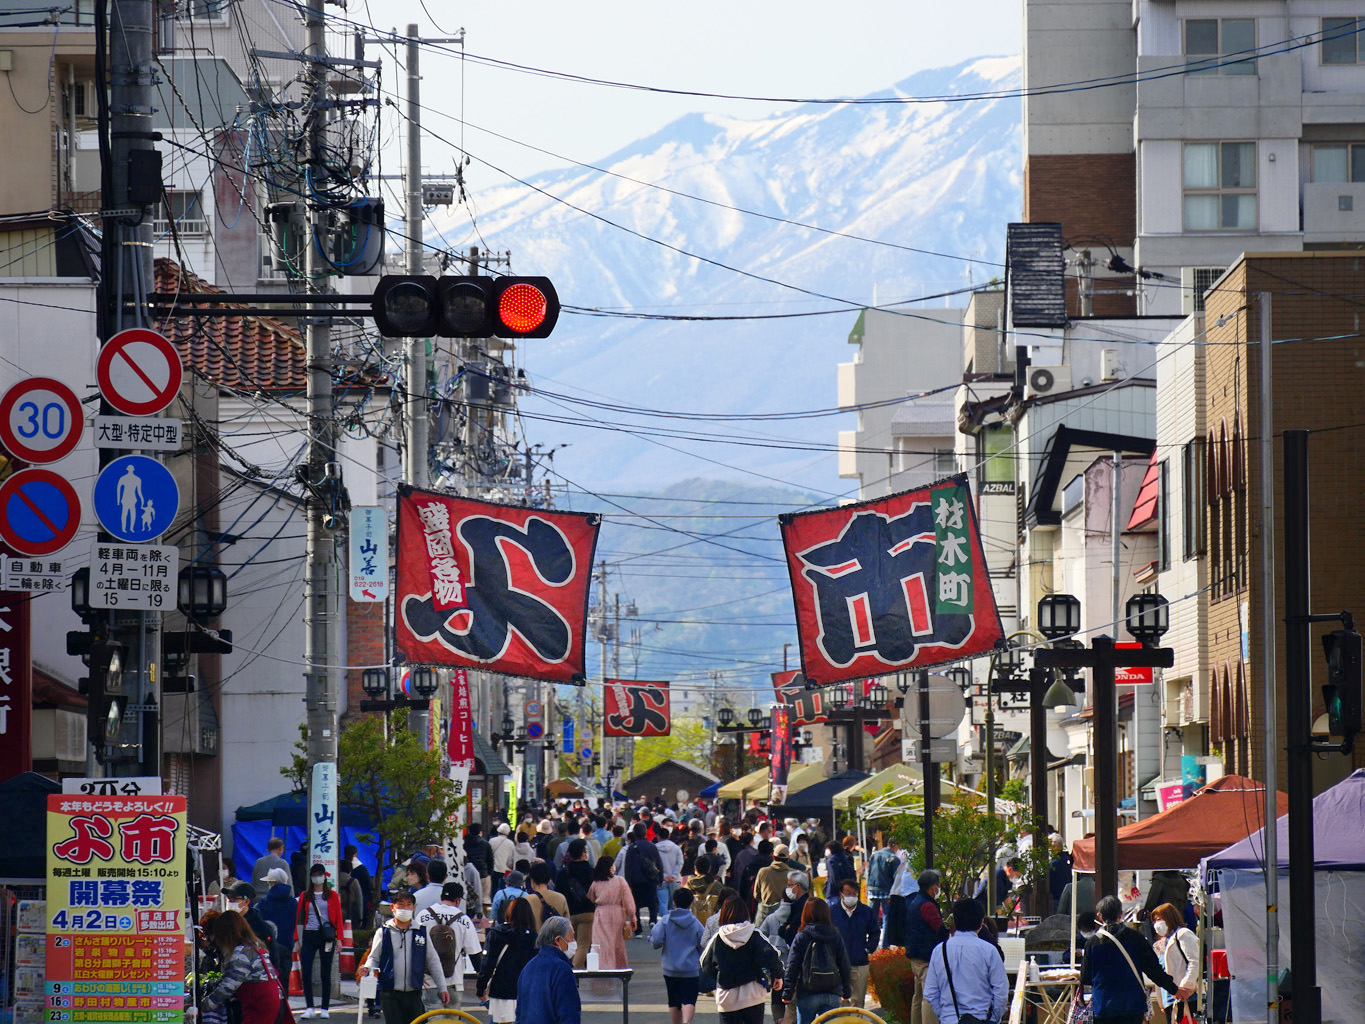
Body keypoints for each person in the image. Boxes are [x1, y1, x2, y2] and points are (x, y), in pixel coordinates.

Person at [1081, 896, 1187, 1024]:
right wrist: (1175, 990)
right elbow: (1154, 971)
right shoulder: (1135, 938)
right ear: (1121, 914)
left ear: (1099, 916)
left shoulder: (1091, 943)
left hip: (1104, 1006)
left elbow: (1086, 977)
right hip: (1132, 1006)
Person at [359, 889, 450, 1024]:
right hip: (390, 992)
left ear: (413, 907)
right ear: (392, 907)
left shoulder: (421, 931)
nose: (405, 908)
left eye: (408, 905)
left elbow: (433, 961)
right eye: (401, 904)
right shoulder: (383, 932)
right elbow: (374, 957)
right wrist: (367, 968)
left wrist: (442, 987)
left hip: (414, 992)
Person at [922, 899, 1010, 1024]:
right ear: (981, 923)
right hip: (981, 1018)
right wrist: (994, 1018)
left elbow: (930, 992)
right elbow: (1001, 991)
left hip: (949, 1019)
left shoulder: (939, 950)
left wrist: (944, 1016)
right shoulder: (989, 950)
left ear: (955, 922)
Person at [700, 896, 784, 1024]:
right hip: (753, 995)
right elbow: (772, 956)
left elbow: (705, 964)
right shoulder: (754, 934)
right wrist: (777, 976)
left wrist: (718, 976)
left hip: (727, 997)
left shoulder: (718, 938)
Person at [202, 911, 288, 1024]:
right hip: (274, 1002)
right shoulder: (252, 945)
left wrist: (203, 1005)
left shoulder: (241, 953)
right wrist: (210, 984)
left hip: (263, 1006)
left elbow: (228, 986)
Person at [783, 897, 852, 1024]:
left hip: (807, 991)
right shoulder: (835, 935)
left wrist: (787, 992)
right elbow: (844, 964)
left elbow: (792, 965)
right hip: (832, 991)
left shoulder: (802, 936)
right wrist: (846, 991)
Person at [417, 882, 483, 1010]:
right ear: (458, 900)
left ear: (441, 896)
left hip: (428, 980)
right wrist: (482, 982)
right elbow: (474, 953)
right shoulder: (464, 920)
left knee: (432, 1019)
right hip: (454, 980)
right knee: (452, 1019)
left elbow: (415, 948)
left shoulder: (423, 916)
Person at [476, 896, 537, 1024]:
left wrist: (481, 988)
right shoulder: (533, 937)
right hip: (526, 991)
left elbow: (487, 964)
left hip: (501, 990)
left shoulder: (496, 934)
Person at [294, 864, 342, 1019]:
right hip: (309, 935)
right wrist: (297, 939)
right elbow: (299, 919)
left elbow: (339, 919)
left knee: (325, 972)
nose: (317, 877)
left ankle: (325, 1007)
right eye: (314, 874)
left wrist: (339, 939)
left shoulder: (333, 895)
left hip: (327, 936)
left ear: (325, 876)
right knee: (306, 971)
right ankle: (309, 1007)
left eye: (320, 874)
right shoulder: (305, 895)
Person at [653, 887, 706, 1024]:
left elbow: (657, 940)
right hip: (690, 969)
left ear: (674, 902)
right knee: (689, 999)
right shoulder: (695, 923)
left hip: (670, 968)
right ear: (691, 904)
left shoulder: (665, 921)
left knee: (673, 1000)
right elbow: (703, 944)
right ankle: (687, 1021)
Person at [516, 917, 582, 1024]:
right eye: (572, 937)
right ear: (558, 940)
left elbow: (520, 1012)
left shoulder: (528, 968)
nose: (574, 942)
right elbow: (569, 1013)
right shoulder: (562, 969)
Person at [905, 870, 950, 1024]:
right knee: (929, 998)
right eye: (938, 886)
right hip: (926, 957)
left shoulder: (915, 901)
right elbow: (939, 929)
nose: (939, 890)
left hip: (915, 956)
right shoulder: (927, 906)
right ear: (932, 887)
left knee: (917, 998)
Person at [829, 878, 879, 1008]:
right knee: (840, 1002)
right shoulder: (832, 912)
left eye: (854, 893)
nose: (851, 896)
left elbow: (875, 932)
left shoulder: (866, 912)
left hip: (859, 962)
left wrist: (868, 949)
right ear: (841, 894)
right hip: (837, 963)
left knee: (858, 1001)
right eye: (847, 892)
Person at [1151, 903, 1200, 1023]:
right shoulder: (1160, 944)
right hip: (1170, 1000)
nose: (1157, 923)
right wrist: (1162, 1002)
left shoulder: (1183, 934)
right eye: (1155, 920)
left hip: (1186, 996)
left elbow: (1194, 961)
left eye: (1160, 919)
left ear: (1169, 917)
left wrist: (1186, 986)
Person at [588, 854, 636, 969]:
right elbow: (629, 901)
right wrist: (633, 916)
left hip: (601, 913)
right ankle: (618, 968)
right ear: (610, 867)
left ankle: (603, 967)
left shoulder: (596, 883)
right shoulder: (620, 881)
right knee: (617, 943)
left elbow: (591, 897)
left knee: (601, 943)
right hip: (617, 914)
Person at [557, 838, 597, 968]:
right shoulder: (591, 872)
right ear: (583, 853)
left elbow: (559, 892)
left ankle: (575, 967)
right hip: (587, 912)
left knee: (570, 944)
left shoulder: (563, 872)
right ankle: (575, 969)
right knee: (583, 944)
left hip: (569, 912)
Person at [225, 883, 279, 976]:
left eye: (234, 899)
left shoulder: (260, 928)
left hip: (254, 978)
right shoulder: (224, 924)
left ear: (246, 901)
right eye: (228, 899)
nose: (230, 902)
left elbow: (273, 958)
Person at [622, 824, 665, 932]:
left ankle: (638, 929)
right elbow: (659, 863)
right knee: (652, 902)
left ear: (635, 833)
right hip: (650, 879)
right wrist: (660, 878)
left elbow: (627, 866)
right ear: (645, 832)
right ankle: (653, 920)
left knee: (636, 904)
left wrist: (628, 882)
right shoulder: (652, 846)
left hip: (636, 880)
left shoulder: (632, 848)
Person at [257, 868, 297, 983]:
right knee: (284, 984)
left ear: (273, 883)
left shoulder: (264, 902)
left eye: (270, 882)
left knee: (271, 982)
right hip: (287, 946)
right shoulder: (293, 902)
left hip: (268, 947)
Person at [865, 837, 900, 928]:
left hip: (872, 888)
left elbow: (869, 871)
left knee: (872, 917)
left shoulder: (874, 855)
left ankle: (871, 939)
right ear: (895, 846)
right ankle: (885, 942)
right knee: (887, 919)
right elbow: (896, 878)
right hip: (887, 890)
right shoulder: (894, 858)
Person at [526, 860, 569, 931]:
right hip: (556, 939)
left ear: (532, 880)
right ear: (549, 879)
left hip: (535, 940)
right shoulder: (561, 898)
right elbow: (567, 923)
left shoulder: (527, 899)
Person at [657, 826, 686, 920]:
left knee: (662, 903)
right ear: (669, 836)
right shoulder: (676, 848)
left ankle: (664, 922)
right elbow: (680, 862)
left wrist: (664, 876)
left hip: (661, 880)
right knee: (675, 903)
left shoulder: (655, 848)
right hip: (675, 880)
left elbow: (654, 865)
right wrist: (674, 875)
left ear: (658, 836)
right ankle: (674, 922)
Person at [465, 824, 494, 910]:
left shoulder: (465, 843)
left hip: (469, 875)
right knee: (485, 898)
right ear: (479, 832)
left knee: (470, 897)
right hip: (483, 874)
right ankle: (483, 918)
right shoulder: (485, 844)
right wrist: (489, 873)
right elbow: (490, 860)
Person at [490, 823, 517, 891]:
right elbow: (512, 856)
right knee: (504, 887)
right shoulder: (510, 843)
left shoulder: (492, 841)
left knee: (494, 887)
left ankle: (494, 899)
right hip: (506, 869)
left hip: (494, 867)